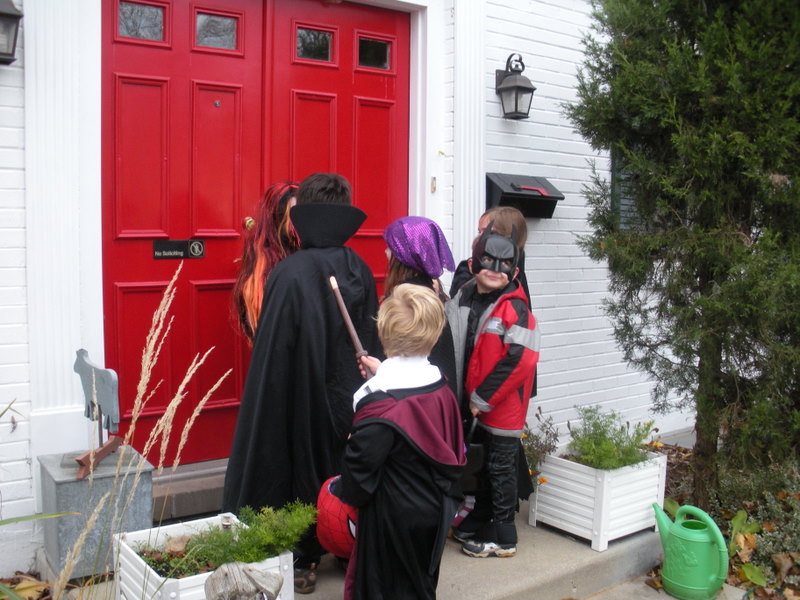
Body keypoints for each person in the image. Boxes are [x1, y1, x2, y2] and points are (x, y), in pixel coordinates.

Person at [222, 173, 381, 594]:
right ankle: (347, 543)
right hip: (350, 395)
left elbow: (274, 355)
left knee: (299, 467)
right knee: (346, 463)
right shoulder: (360, 267)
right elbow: (371, 336)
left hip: (300, 396)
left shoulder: (290, 272)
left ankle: (304, 553)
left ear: (303, 218)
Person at [336, 284, 466, 600]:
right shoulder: (440, 387)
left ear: (384, 333)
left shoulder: (379, 406)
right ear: (434, 335)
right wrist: (383, 372)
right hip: (434, 512)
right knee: (419, 585)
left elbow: (357, 480)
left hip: (391, 521)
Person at [446, 225, 540, 558]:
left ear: (514, 272)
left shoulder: (516, 309)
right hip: (472, 402)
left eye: (504, 265)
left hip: (501, 408)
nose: (495, 270)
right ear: (473, 263)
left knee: (500, 469)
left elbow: (520, 360)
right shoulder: (463, 295)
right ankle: (482, 517)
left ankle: (503, 534)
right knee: (482, 467)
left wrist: (482, 398)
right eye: (488, 261)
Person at [382, 216, 458, 395]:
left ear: (404, 254)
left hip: (410, 398)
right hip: (435, 396)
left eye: (390, 247)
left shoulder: (408, 302)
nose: (386, 251)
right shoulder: (429, 294)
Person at [232, 181, 300, 342]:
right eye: (294, 215)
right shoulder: (265, 263)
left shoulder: (308, 251)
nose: (299, 223)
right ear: (278, 218)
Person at [449, 205, 530, 303]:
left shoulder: (516, 277)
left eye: (487, 232)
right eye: (479, 232)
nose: (480, 237)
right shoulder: (469, 269)